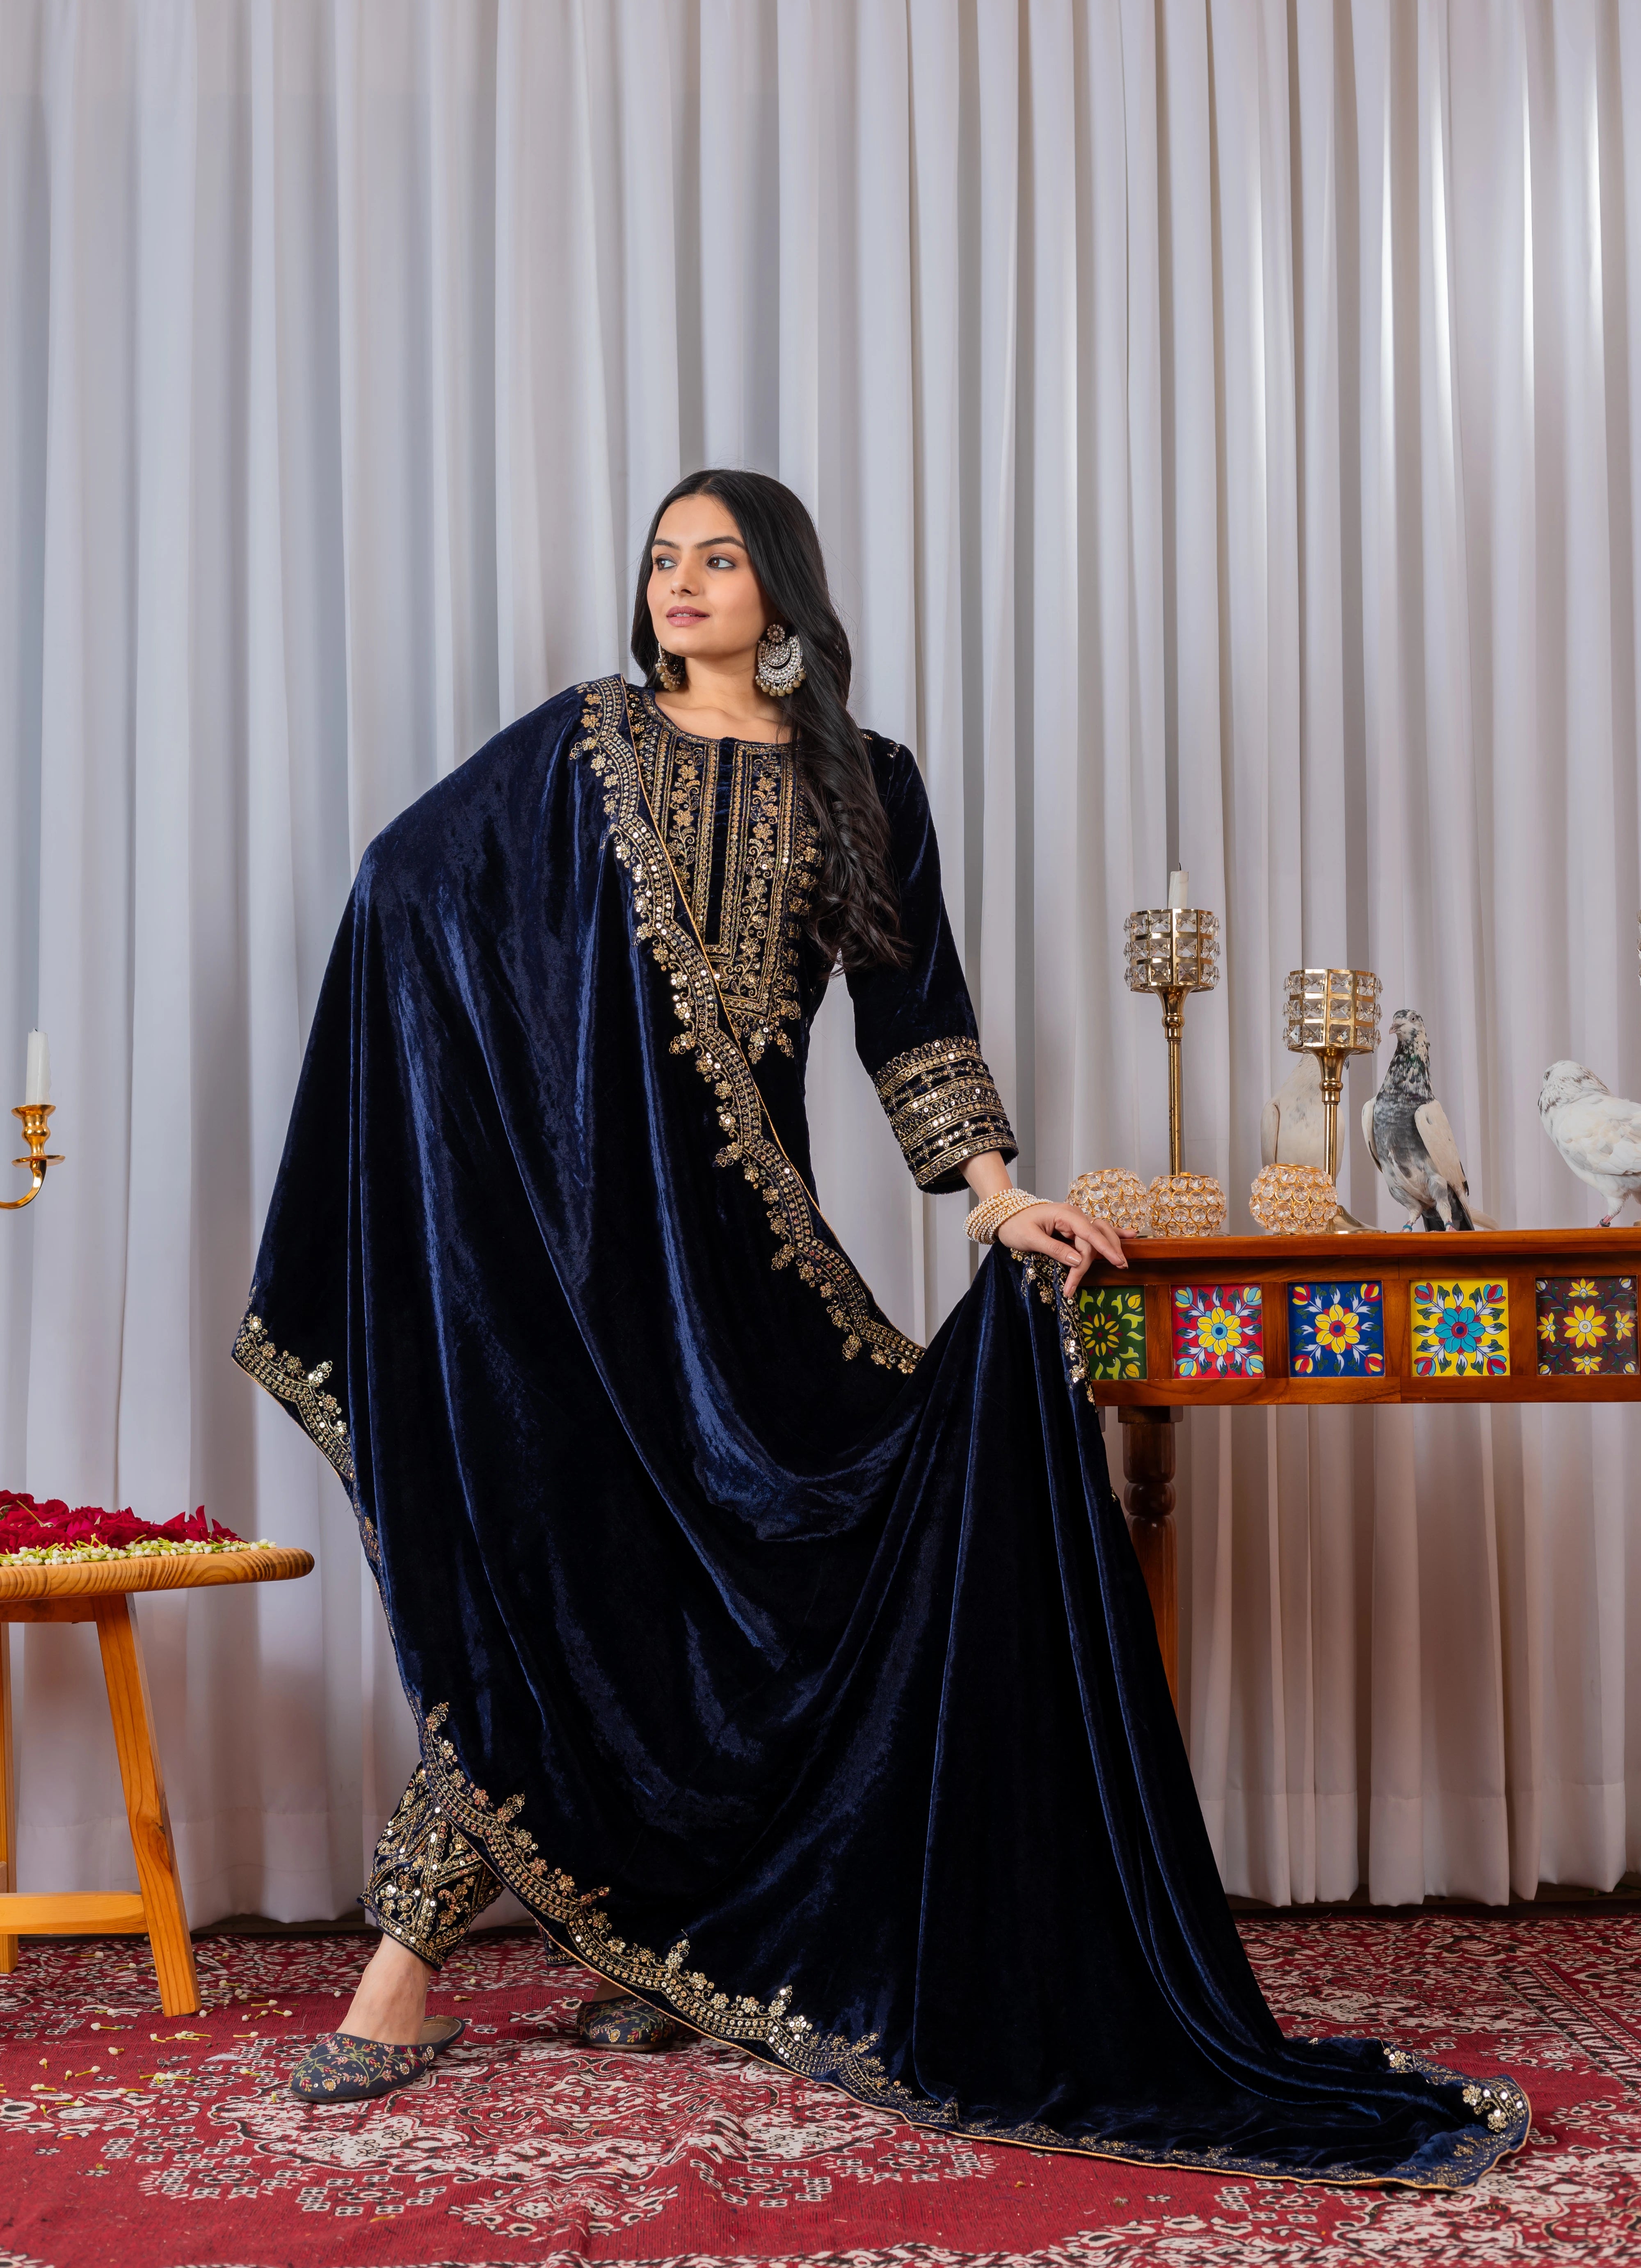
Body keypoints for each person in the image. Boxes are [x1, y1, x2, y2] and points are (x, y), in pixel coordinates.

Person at [239, 469, 1526, 2181]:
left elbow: (914, 1023)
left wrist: (998, 1199)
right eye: (660, 559)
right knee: (556, 1587)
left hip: (748, 1278)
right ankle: (402, 1976)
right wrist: (506, 1144)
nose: (681, 582)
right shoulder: (579, 746)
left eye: (717, 557)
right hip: (573, 1271)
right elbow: (407, 894)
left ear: (784, 589)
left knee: (853, 1551)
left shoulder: (866, 784)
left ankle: (715, 1939)